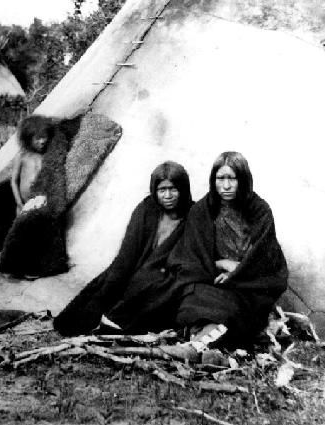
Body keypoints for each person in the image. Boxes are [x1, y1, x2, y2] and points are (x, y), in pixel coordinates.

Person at [164, 151, 288, 357]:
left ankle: (198, 347)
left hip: (248, 287)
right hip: (212, 281)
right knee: (194, 299)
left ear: (244, 180)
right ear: (213, 181)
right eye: (221, 178)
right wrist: (220, 263)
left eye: (232, 178)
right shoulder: (203, 211)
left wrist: (237, 271)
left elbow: (266, 260)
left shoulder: (260, 211)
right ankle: (203, 345)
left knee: (232, 311)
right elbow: (192, 256)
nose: (226, 186)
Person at [54, 161, 193, 335]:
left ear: (183, 189)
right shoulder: (147, 209)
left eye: (173, 189)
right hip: (135, 266)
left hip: (164, 277)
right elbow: (128, 253)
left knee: (147, 294)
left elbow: (188, 257)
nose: (168, 195)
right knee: (106, 285)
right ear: (154, 191)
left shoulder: (192, 216)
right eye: (162, 190)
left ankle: (115, 323)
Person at [11, 115, 52, 214]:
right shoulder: (22, 156)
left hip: (41, 203)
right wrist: (19, 203)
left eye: (44, 137)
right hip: (23, 205)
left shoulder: (47, 155)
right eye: (38, 138)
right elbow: (14, 181)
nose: (42, 141)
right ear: (28, 139)